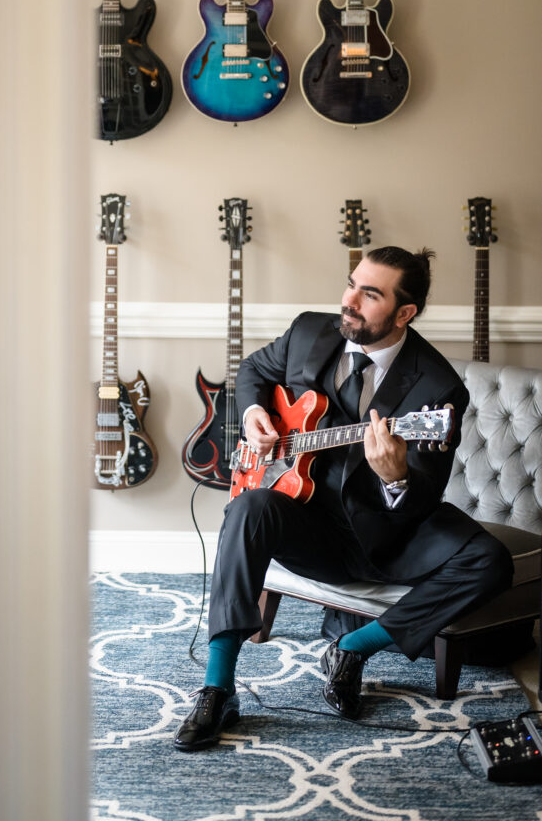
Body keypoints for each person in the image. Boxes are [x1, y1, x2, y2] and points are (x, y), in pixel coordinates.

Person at [174, 246, 513, 751]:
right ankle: (218, 688)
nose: (349, 301)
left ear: (404, 313)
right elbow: (253, 372)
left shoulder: (437, 388)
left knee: (491, 562)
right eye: (351, 283)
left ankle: (354, 648)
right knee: (246, 508)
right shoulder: (311, 331)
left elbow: (420, 500)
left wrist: (395, 477)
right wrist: (252, 417)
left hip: (384, 532)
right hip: (305, 521)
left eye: (370, 294)